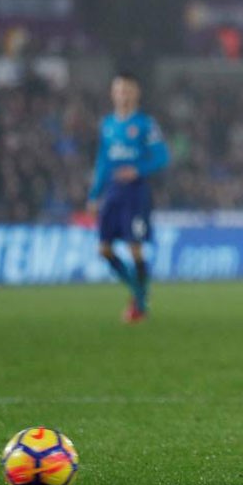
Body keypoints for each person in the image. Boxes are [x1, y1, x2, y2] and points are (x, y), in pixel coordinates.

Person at [86, 71, 170, 323]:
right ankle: (139, 291)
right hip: (112, 193)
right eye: (119, 89)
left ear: (136, 92)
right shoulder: (107, 125)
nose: (122, 94)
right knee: (104, 249)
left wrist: (137, 170)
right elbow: (102, 162)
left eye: (127, 90)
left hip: (136, 193)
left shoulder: (145, 124)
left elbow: (162, 156)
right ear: (112, 93)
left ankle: (140, 305)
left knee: (135, 248)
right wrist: (93, 195)